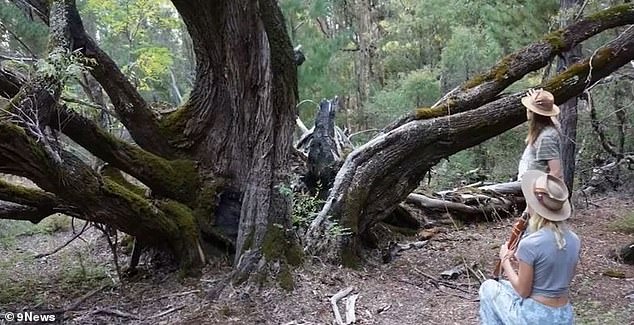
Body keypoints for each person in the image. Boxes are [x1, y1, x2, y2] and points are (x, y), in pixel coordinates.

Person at [479, 170, 581, 324]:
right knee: (502, 286)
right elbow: (560, 277)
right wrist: (521, 263)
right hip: (564, 315)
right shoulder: (574, 239)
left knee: (488, 287)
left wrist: (505, 259)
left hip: (535, 317)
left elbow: (523, 291)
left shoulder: (530, 243)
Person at [517, 89, 563, 180]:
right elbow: (552, 117)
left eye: (528, 109)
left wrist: (540, 190)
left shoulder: (546, 138)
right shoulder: (552, 125)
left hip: (535, 185)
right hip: (529, 181)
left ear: (531, 113)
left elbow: (555, 171)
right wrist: (537, 98)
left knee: (488, 189)